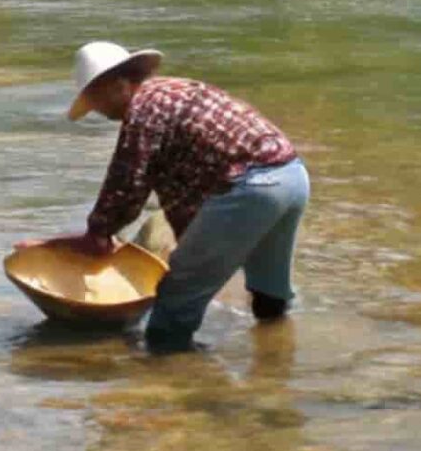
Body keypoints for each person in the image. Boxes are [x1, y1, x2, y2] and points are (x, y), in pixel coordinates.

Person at [39, 41, 309, 354]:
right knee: (269, 294)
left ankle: (174, 384)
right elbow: (191, 182)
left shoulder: (143, 110)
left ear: (118, 86)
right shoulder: (173, 91)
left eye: (95, 101)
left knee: (174, 302)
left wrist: (97, 234)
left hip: (252, 189)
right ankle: (276, 363)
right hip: (291, 176)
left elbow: (128, 181)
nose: (98, 111)